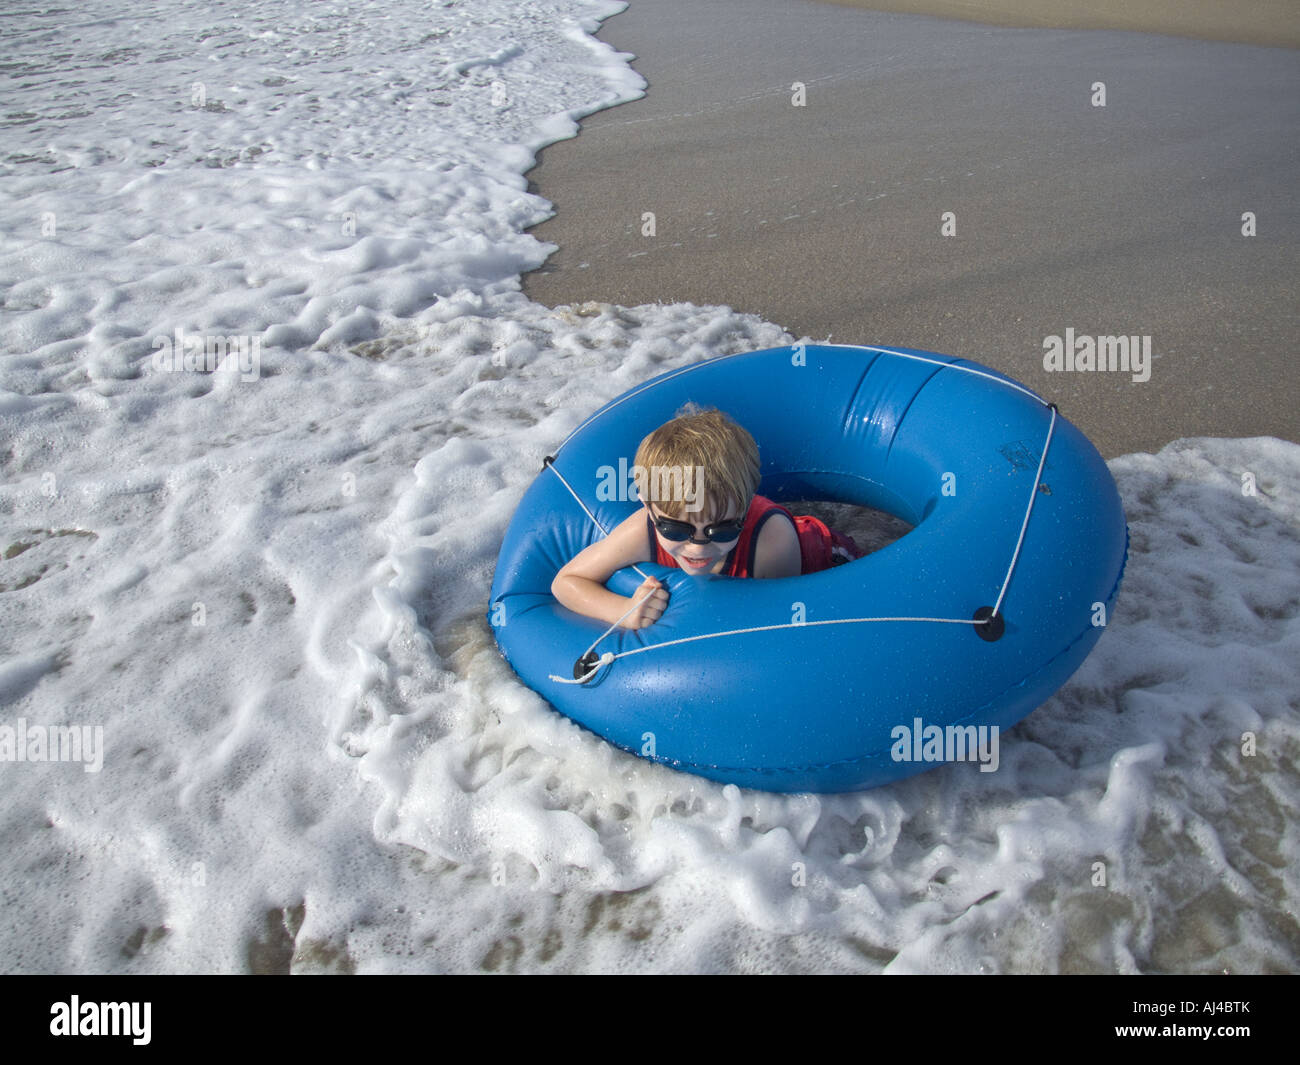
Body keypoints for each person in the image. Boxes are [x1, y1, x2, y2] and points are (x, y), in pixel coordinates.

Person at [551, 405, 861, 629]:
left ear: (744, 507)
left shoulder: (772, 543)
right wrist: (623, 610)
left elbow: (776, 624)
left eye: (722, 530)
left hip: (827, 558)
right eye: (675, 529)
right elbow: (566, 582)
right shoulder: (643, 528)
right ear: (648, 506)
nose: (697, 548)